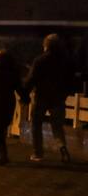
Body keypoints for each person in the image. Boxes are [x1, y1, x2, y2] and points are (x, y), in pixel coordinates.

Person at [25, 33, 72, 162]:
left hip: (41, 97)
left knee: (36, 124)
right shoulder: (64, 61)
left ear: (46, 46)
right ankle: (63, 149)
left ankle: (38, 153)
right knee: (57, 126)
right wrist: (64, 94)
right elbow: (69, 80)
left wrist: (25, 93)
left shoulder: (40, 60)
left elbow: (32, 79)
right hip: (58, 98)